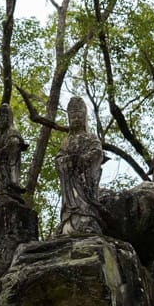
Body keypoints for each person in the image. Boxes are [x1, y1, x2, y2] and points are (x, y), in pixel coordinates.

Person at [55, 97, 104, 235]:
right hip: (70, 184)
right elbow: (59, 158)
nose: (76, 118)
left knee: (86, 206)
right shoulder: (66, 142)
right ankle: (69, 222)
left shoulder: (91, 138)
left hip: (84, 181)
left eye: (79, 114)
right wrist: (66, 162)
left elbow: (97, 153)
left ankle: (87, 220)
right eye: (72, 115)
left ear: (84, 117)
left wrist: (82, 160)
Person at [0, 103, 28, 206]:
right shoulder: (0, 137)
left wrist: (3, 151)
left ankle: (12, 188)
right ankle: (2, 192)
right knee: (0, 187)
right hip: (0, 169)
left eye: (3, 116)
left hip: (9, 166)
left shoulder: (12, 132)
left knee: (8, 183)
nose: (0, 120)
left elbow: (14, 142)